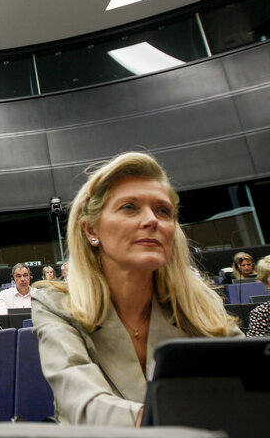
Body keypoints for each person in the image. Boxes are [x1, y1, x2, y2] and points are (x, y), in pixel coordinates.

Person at [32, 152, 242, 427]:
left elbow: (253, 387)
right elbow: (84, 406)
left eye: (163, 210)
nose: (152, 220)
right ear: (91, 230)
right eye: (129, 207)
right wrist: (186, 418)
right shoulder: (54, 305)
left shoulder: (201, 304)